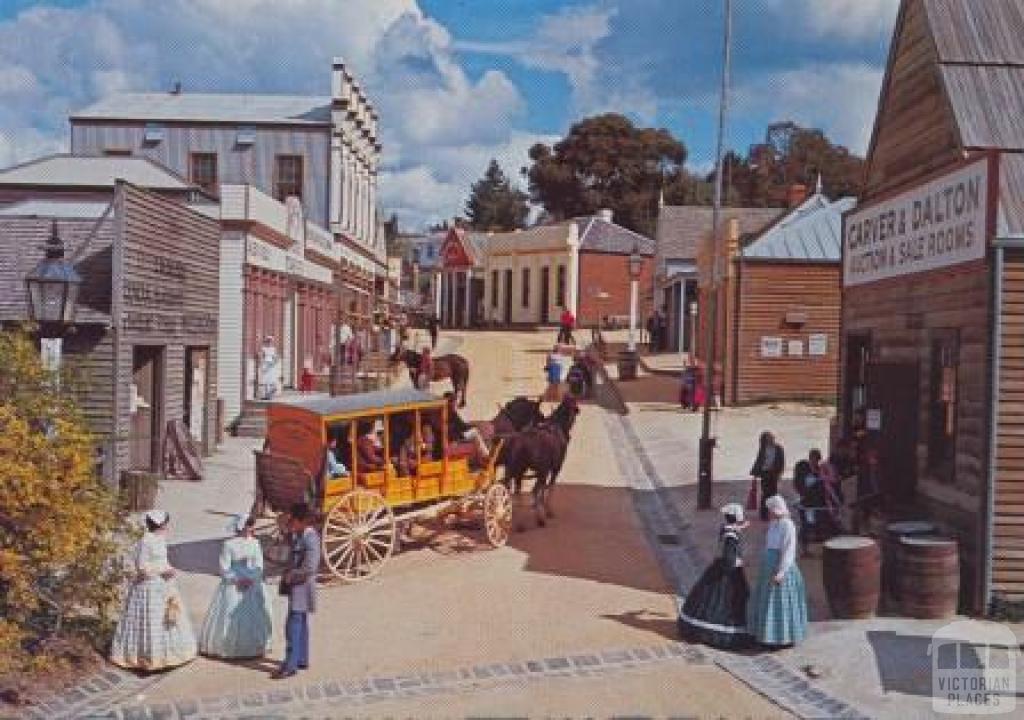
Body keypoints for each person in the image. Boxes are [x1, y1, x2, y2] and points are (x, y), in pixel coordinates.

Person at [110, 510, 197, 671]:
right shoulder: (146, 541)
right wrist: (161, 571)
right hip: (149, 586)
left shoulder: (161, 539)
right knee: (152, 619)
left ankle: (169, 655)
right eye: (165, 523)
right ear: (158, 524)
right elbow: (142, 566)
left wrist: (170, 568)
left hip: (164, 584)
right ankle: (149, 657)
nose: (166, 526)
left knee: (169, 617)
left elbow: (163, 560)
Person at [199, 515, 273, 659]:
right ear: (240, 526)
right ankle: (229, 647)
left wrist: (252, 578)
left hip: (251, 580)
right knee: (230, 612)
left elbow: (259, 565)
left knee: (255, 613)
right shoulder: (229, 544)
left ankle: (254, 646)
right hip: (234, 581)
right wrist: (237, 580)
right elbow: (224, 567)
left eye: (251, 526)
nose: (249, 529)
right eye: (247, 525)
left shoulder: (255, 543)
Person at [678, 503, 751, 649]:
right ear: (737, 518)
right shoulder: (731, 536)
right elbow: (729, 559)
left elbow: (730, 530)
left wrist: (740, 528)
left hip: (716, 567)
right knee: (728, 600)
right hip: (728, 572)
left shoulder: (725, 528)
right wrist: (739, 562)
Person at [747, 495, 808, 647]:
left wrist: (781, 572)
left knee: (781, 603)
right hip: (768, 567)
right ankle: (768, 636)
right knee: (766, 602)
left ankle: (782, 638)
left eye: (770, 510)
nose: (768, 513)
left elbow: (788, 550)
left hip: (780, 567)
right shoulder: (774, 524)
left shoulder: (788, 525)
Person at [272, 503, 320, 679]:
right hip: (298, 587)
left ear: (302, 521)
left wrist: (290, 576)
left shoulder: (311, 539)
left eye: (293, 520)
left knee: (292, 625)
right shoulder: (299, 535)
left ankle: (290, 665)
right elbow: (285, 536)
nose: (291, 522)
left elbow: (310, 568)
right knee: (301, 623)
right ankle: (301, 659)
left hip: (302, 587)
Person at [444, 391, 489, 464]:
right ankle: (486, 455)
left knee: (474, 433)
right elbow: (462, 426)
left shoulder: (444, 411)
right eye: (453, 401)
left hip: (452, 436)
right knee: (475, 433)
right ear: (451, 402)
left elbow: (461, 425)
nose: (454, 403)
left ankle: (482, 457)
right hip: (454, 437)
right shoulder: (452, 412)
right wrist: (473, 426)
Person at [750, 431, 785, 521]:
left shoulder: (779, 448)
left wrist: (780, 473)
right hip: (765, 472)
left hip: (774, 473)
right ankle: (764, 514)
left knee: (774, 493)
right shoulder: (763, 448)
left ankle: (773, 512)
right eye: (768, 438)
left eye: (771, 438)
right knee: (765, 494)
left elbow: (781, 462)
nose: (770, 440)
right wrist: (755, 472)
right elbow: (759, 460)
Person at [259, 336, 280, 400]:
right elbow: (262, 357)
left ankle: (272, 391)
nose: (269, 342)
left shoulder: (273, 349)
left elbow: (276, 357)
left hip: (271, 364)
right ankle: (267, 395)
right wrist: (261, 363)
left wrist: (274, 362)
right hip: (265, 364)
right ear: (266, 341)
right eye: (268, 341)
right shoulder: (263, 348)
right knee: (265, 380)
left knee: (271, 379)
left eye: (270, 341)